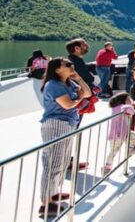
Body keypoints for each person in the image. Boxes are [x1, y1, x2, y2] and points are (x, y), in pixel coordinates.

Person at [38, 57, 92, 217]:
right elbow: (68, 104)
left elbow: (87, 93)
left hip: (68, 124)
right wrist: (80, 97)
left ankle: (53, 193)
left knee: (62, 161)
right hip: (56, 124)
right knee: (52, 163)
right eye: (67, 65)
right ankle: (45, 204)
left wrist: (79, 78)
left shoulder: (69, 83)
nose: (71, 66)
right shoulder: (53, 85)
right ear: (57, 69)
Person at [66, 38, 95, 127]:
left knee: (75, 122)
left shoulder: (73, 60)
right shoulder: (75, 62)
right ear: (77, 48)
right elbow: (87, 77)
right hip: (78, 96)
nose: (87, 46)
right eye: (84, 44)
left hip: (78, 96)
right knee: (74, 123)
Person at [104, 92, 135, 173]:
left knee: (134, 135)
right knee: (113, 152)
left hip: (123, 133)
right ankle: (107, 167)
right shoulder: (122, 107)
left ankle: (130, 149)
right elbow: (131, 111)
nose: (131, 100)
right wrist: (132, 104)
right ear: (124, 100)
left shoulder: (118, 107)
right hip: (117, 135)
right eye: (129, 99)